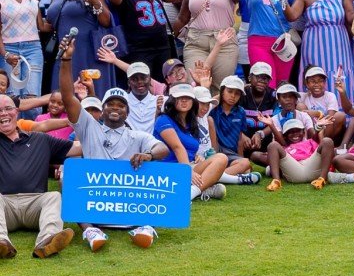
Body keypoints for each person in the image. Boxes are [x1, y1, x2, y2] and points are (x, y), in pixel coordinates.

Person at [57, 42, 169, 250]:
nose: (115, 109)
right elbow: (67, 97)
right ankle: (90, 230)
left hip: (130, 203)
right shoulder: (89, 127)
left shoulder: (138, 134)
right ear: (103, 108)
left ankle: (145, 227)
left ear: (127, 111)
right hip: (95, 204)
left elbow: (162, 148)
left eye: (121, 106)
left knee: (162, 175)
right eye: (110, 104)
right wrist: (66, 60)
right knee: (67, 176)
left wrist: (148, 156)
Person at [0, 92, 76, 258]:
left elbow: (77, 148)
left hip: (35, 204)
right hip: (4, 204)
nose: (3, 114)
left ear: (17, 112)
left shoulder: (40, 140)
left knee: (54, 196)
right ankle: (1, 242)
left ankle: (47, 242)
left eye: (7, 109)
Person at [44, 0, 114, 94]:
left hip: (86, 50)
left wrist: (95, 2)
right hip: (64, 49)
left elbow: (106, 21)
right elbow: (50, 24)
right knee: (63, 93)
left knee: (88, 92)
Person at [285, 0, 354, 94]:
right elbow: (292, 16)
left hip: (338, 42)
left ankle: (341, 110)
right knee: (316, 73)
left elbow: (351, 16)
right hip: (314, 44)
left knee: (338, 71)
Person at [153, 83, 229, 201]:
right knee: (219, 164)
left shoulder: (192, 123)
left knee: (221, 158)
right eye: (179, 98)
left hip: (186, 167)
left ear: (193, 101)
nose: (184, 101)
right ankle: (197, 191)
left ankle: (191, 192)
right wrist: (189, 171)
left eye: (188, 98)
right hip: (167, 171)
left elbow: (189, 149)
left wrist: (197, 156)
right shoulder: (163, 120)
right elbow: (178, 147)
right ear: (172, 100)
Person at [242, 0, 297, 88]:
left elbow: (296, 11)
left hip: (283, 43)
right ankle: (264, 109)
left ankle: (278, 109)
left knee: (282, 84)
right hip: (258, 42)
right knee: (266, 83)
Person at [0, 0, 44, 97]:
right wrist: (5, 55)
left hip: (33, 49)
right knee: (12, 96)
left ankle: (30, 120)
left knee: (32, 95)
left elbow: (41, 25)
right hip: (9, 50)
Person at [265, 118, 336, 191]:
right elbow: (276, 143)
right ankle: (276, 181)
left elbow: (317, 135)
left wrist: (318, 126)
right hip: (295, 171)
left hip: (313, 168)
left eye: (298, 131)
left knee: (327, 141)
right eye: (291, 132)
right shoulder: (284, 147)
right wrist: (271, 125)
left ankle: (322, 179)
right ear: (285, 136)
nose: (295, 134)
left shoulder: (310, 141)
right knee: (272, 145)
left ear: (304, 132)